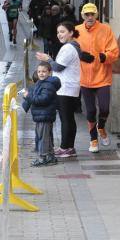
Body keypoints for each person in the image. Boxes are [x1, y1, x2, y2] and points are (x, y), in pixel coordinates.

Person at [75, 3, 119, 153]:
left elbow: (114, 50)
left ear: (96, 15)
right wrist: (80, 55)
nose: (89, 17)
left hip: (102, 76)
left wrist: (105, 56)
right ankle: (93, 140)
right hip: (85, 77)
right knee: (91, 111)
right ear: (82, 16)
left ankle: (101, 127)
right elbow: (70, 48)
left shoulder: (106, 29)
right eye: (86, 14)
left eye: (92, 14)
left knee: (105, 108)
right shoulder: (77, 31)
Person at [36, 21, 83, 159]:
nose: (59, 35)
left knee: (66, 119)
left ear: (71, 33)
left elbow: (58, 67)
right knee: (68, 118)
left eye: (62, 32)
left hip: (66, 88)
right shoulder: (72, 47)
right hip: (69, 87)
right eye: (58, 32)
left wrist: (48, 59)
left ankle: (65, 147)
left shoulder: (69, 48)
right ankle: (69, 147)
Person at [22, 61, 61, 167]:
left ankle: (42, 157)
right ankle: (50, 156)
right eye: (39, 71)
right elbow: (34, 94)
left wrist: (28, 96)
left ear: (50, 73)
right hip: (42, 115)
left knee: (43, 137)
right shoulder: (41, 83)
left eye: (44, 71)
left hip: (45, 115)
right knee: (46, 136)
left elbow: (42, 100)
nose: (41, 73)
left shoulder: (48, 85)